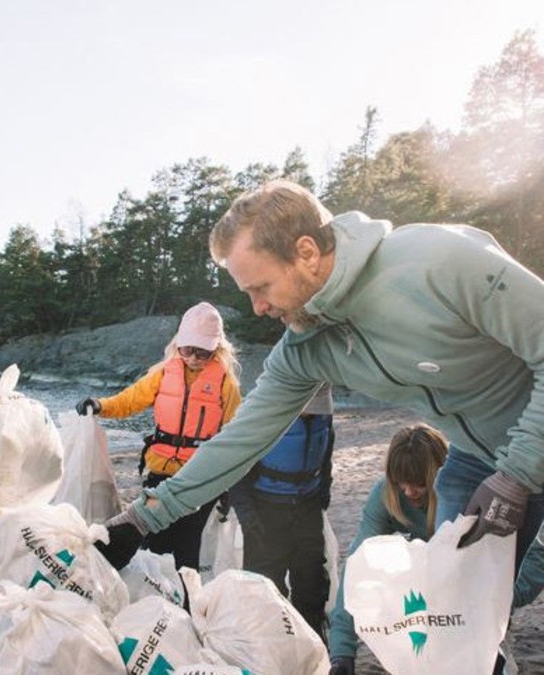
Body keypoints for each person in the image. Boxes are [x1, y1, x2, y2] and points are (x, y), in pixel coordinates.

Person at [94, 180, 544, 621]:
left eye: (262, 287)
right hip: (476, 461)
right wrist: (141, 518)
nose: (257, 308)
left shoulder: (437, 261)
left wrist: (518, 473)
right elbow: (239, 441)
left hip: (526, 443)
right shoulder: (305, 348)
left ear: (306, 253)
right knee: (454, 613)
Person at [329, 425, 544, 675]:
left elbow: (537, 557)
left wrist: (497, 601)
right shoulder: (385, 496)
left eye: (419, 484)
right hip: (434, 583)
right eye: (401, 484)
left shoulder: (466, 492)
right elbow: (357, 567)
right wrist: (341, 653)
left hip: (477, 583)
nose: (409, 492)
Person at [76, 302, 242, 569]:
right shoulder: (164, 373)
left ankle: (184, 605)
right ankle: (154, 603)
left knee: (187, 546)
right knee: (154, 543)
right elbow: (129, 400)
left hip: (199, 476)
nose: (194, 358)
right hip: (160, 472)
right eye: (187, 349)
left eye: (203, 352)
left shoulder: (225, 383)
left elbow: (236, 435)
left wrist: (228, 485)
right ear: (178, 344)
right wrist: (100, 405)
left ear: (217, 349)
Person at [229, 382, 334, 639]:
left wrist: (323, 493)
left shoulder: (324, 418)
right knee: (265, 585)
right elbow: (235, 468)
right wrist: (247, 515)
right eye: (306, 410)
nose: (312, 413)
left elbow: (325, 455)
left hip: (306, 506)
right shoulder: (263, 418)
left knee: (312, 581)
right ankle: (269, 644)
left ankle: (313, 640)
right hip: (265, 509)